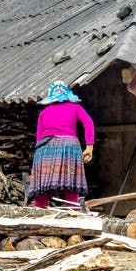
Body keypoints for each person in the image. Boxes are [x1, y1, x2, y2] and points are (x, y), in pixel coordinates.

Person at [28, 81, 94, 209]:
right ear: (67, 95)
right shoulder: (76, 108)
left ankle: (39, 211)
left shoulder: (44, 113)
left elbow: (39, 138)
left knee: (42, 185)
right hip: (69, 147)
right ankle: (73, 211)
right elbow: (88, 123)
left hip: (45, 149)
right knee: (71, 182)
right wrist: (89, 147)